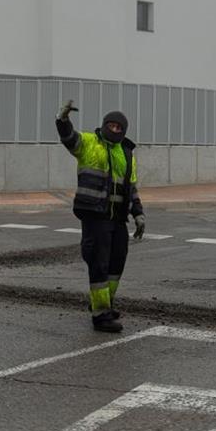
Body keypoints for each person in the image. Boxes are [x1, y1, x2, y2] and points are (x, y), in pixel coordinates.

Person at [55, 100, 146, 333]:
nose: (115, 130)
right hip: (95, 216)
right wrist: (63, 120)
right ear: (104, 125)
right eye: (111, 125)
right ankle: (101, 315)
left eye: (119, 128)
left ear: (124, 131)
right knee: (99, 263)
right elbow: (69, 138)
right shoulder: (89, 143)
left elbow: (131, 187)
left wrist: (138, 213)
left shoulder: (126, 153)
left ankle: (104, 304)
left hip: (117, 219)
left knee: (117, 262)